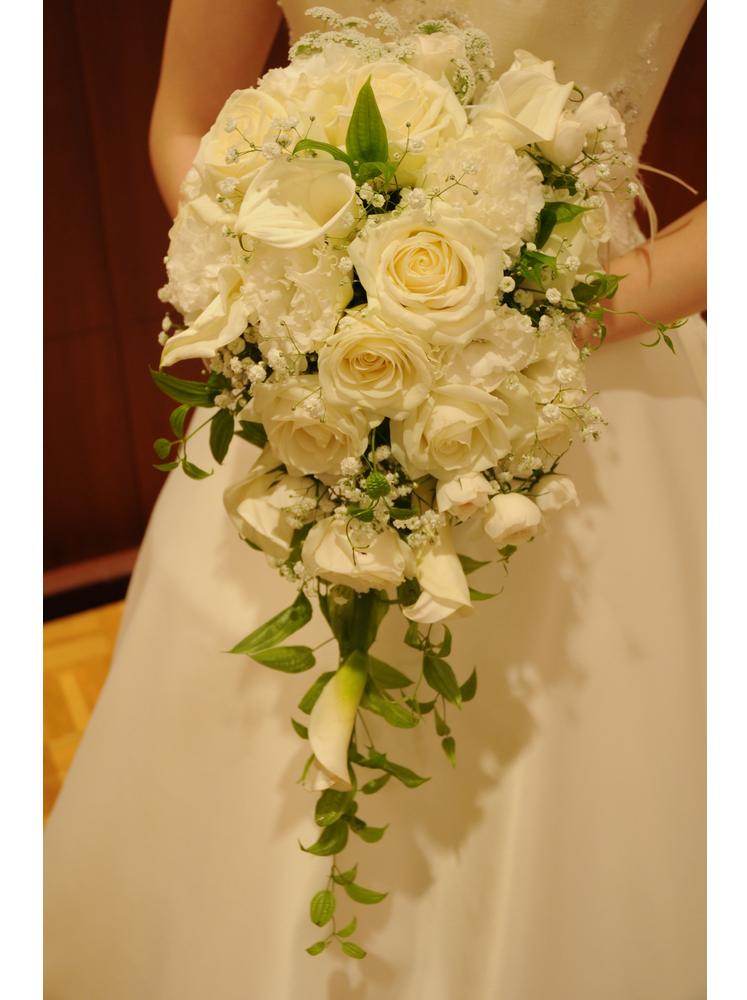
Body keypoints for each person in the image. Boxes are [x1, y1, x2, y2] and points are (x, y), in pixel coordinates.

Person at [44, 2, 706, 997]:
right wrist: (303, 293)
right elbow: (186, 122)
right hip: (315, 388)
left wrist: (552, 312)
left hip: (600, 391)